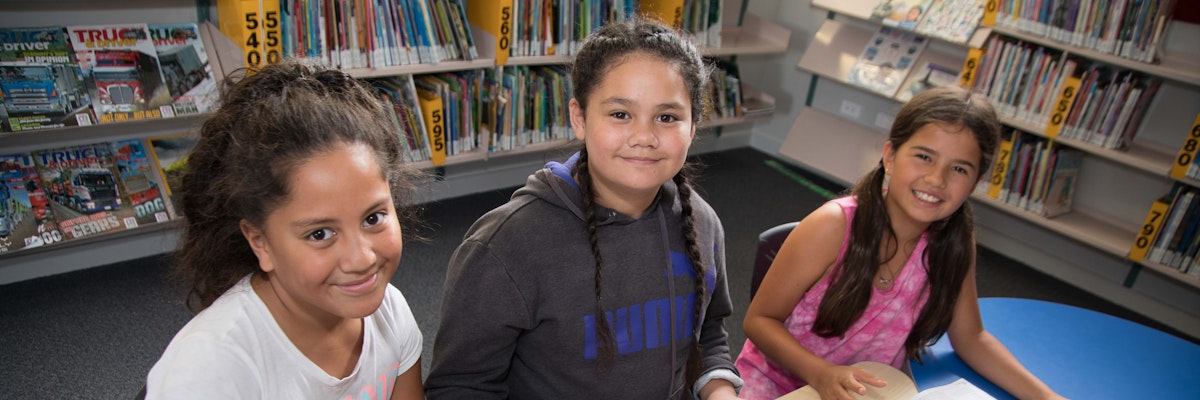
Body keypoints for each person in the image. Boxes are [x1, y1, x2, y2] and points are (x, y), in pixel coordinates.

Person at [425, 17, 742, 400]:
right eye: (620, 114)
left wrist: (720, 390)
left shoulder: (702, 223)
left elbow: (708, 335)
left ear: (693, 127)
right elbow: (460, 388)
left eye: (667, 117)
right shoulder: (505, 247)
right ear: (579, 118)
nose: (644, 137)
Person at [735, 86, 1066, 400]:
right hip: (776, 386)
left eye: (959, 169)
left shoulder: (954, 243)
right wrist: (822, 374)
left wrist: (1046, 396)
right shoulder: (833, 226)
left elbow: (971, 338)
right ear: (890, 156)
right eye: (924, 156)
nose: (936, 179)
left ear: (975, 183)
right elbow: (760, 320)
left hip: (869, 392)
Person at [145, 61, 426, 399]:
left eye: (373, 218)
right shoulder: (210, 370)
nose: (362, 258)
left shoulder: (390, 311)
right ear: (259, 242)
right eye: (320, 234)